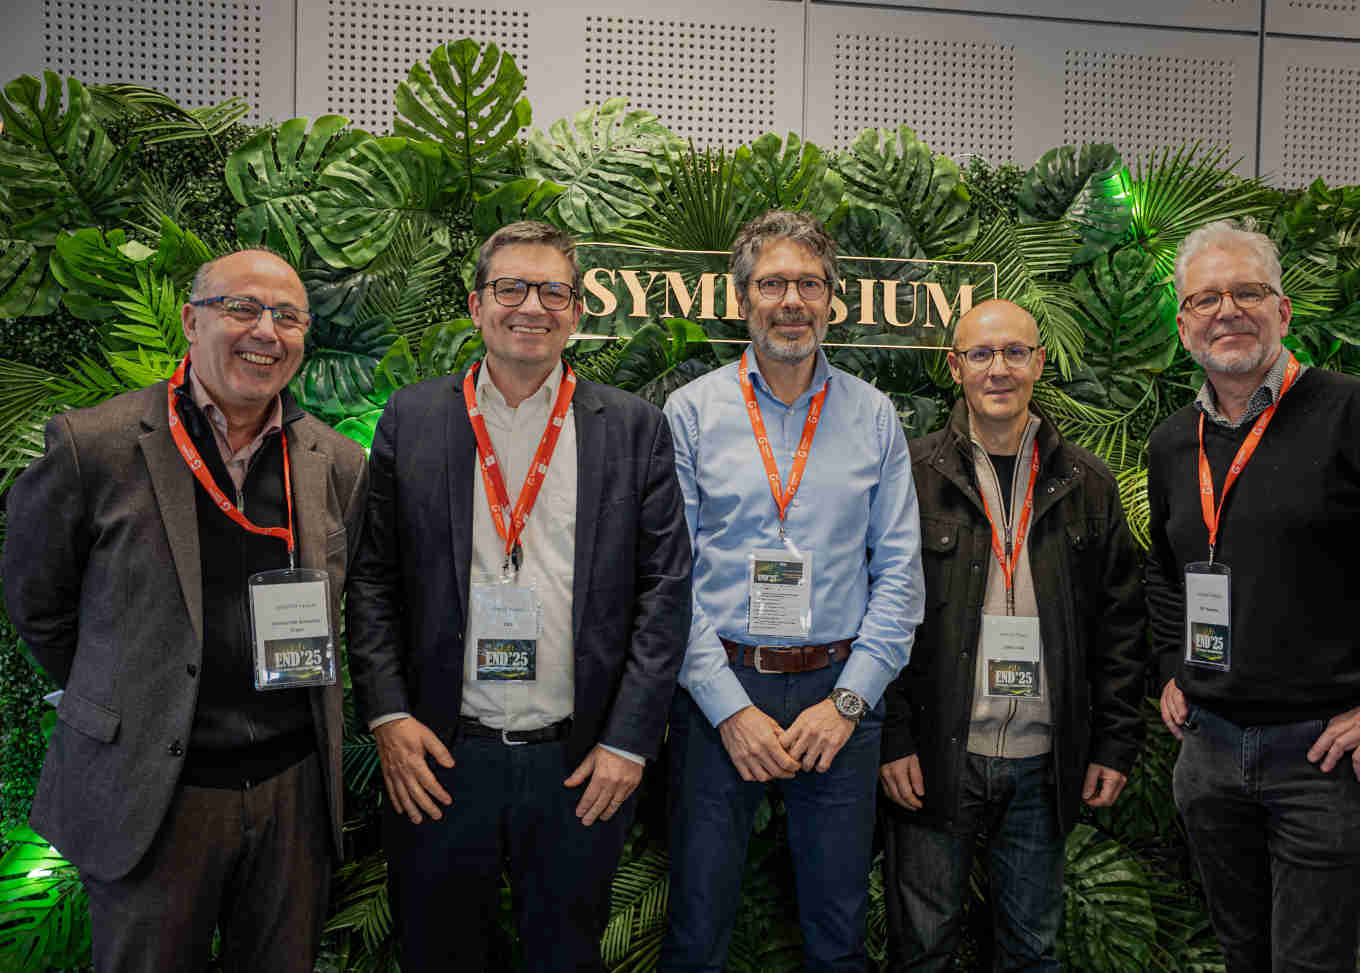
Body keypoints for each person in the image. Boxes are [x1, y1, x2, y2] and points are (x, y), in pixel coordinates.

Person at [3, 250, 368, 972]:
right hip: (154, 795)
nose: (266, 330)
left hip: (291, 792)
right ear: (190, 320)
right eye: (242, 308)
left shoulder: (337, 462)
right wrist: (128, 689)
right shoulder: (94, 446)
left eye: (287, 316)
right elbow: (36, 602)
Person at [345, 220, 692, 971]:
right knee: (438, 953)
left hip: (577, 763)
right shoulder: (414, 417)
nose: (530, 305)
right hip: (439, 756)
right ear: (476, 305)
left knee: (564, 956)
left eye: (552, 290)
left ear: (576, 311)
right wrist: (389, 715)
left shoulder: (634, 429)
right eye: (510, 287)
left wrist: (629, 742)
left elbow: (665, 595)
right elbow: (371, 576)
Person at [1146, 219, 1360, 972]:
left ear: (1283, 312)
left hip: (1324, 761)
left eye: (1248, 291)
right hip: (1211, 754)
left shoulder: (1359, 417)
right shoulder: (1171, 442)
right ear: (1184, 321)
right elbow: (1164, 567)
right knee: (1243, 957)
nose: (1228, 310)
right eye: (1207, 297)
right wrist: (1168, 662)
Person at [659, 209, 925, 972]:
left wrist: (849, 703)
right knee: (696, 928)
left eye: (809, 283)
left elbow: (900, 574)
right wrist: (728, 709)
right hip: (720, 693)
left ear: (831, 299)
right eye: (773, 281)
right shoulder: (693, 412)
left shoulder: (873, 415)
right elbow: (669, 576)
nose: (791, 300)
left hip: (837, 695)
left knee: (838, 936)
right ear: (743, 298)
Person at [879, 299, 1146, 971]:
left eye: (1015, 352)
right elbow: (879, 616)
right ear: (954, 366)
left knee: (1034, 950)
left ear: (1039, 363)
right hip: (938, 759)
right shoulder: (910, 477)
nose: (999, 369)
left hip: (1044, 762)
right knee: (923, 949)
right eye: (981, 353)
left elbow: (1121, 623)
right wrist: (893, 736)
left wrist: (1114, 742)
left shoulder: (1087, 483)